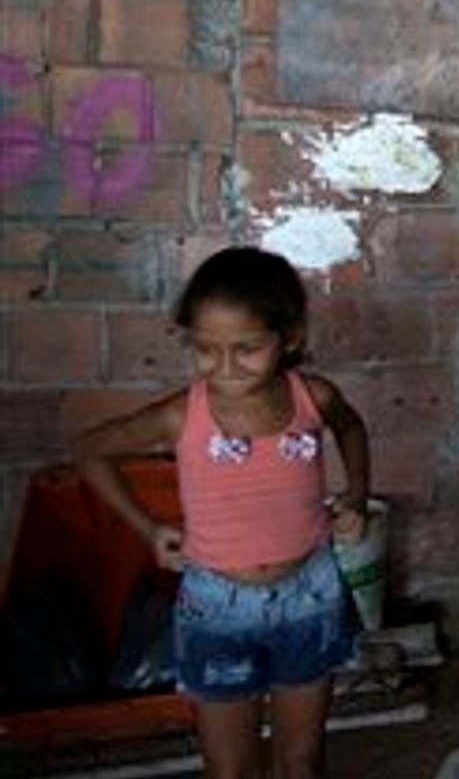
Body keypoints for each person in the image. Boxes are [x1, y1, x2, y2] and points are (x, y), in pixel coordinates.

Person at [72, 246, 371, 779]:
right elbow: (90, 449)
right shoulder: (180, 415)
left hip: (311, 596)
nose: (225, 367)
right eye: (206, 349)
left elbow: (351, 428)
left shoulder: (314, 397)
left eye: (247, 348)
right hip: (217, 610)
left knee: (301, 763)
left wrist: (355, 497)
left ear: (290, 337)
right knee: (230, 771)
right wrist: (149, 530)